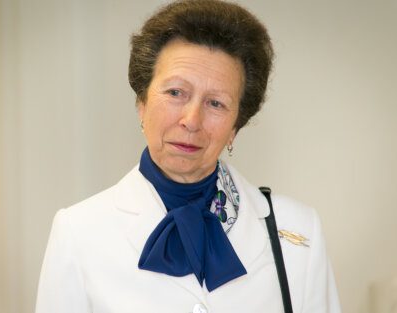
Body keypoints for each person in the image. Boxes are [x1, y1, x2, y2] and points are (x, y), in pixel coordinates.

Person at [35, 1, 341, 312]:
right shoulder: (78, 232)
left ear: (236, 125)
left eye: (216, 103)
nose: (191, 121)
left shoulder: (300, 231)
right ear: (141, 104)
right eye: (175, 93)